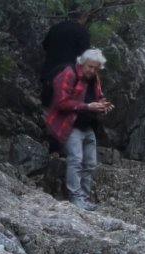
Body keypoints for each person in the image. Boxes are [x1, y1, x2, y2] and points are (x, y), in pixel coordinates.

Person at [45, 48, 113, 211]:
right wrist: (88, 107)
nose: (92, 71)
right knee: (75, 160)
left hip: (87, 124)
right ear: (82, 63)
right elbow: (61, 102)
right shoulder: (69, 73)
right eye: (90, 67)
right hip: (70, 124)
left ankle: (84, 198)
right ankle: (75, 197)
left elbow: (97, 97)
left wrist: (102, 105)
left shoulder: (94, 78)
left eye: (96, 68)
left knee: (90, 163)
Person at [40, 9, 91, 156]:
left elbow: (45, 45)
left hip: (50, 74)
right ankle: (59, 149)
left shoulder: (55, 28)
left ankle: (53, 146)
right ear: (83, 17)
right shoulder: (81, 32)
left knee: (52, 108)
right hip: (68, 77)